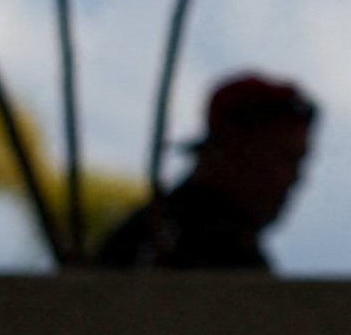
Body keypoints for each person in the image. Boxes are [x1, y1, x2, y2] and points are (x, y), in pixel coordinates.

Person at [92, 70, 316, 270]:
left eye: (298, 163)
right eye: (283, 159)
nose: (294, 179)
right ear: (231, 147)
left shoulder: (151, 230)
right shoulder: (202, 245)